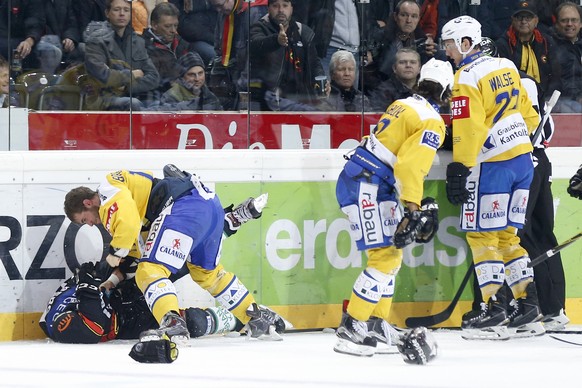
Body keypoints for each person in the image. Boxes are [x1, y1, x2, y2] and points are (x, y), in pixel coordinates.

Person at [63, 165, 281, 363]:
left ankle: (172, 322)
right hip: (209, 206)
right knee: (208, 274)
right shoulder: (130, 197)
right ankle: (255, 317)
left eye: (84, 219)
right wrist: (113, 276)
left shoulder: (107, 191)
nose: (90, 224)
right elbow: (135, 252)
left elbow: (127, 225)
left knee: (150, 271)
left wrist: (114, 251)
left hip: (184, 207)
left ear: (88, 203)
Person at [333, 58, 452, 358]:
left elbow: (396, 155)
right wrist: (413, 207)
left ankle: (375, 324)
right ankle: (353, 327)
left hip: (367, 178)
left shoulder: (403, 103)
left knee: (391, 256)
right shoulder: (432, 120)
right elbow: (411, 166)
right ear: (447, 92)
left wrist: (415, 202)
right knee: (385, 256)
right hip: (368, 184)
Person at [441, 16, 542, 340]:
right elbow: (529, 115)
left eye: (450, 45)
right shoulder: (507, 66)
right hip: (522, 160)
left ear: (466, 43)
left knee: (483, 238)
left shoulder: (466, 76)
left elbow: (468, 127)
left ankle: (493, 309)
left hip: (492, 165)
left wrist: (460, 166)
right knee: (508, 238)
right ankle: (528, 308)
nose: (448, 52)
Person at [478, 36, 569, 332]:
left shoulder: (511, 81)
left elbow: (524, 126)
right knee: (542, 235)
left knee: (522, 236)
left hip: (522, 161)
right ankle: (555, 310)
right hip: (539, 161)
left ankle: (537, 308)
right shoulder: (524, 80)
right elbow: (547, 128)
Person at [249, 0, 326, 111]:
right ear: (268, 8)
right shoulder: (259, 27)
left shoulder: (303, 32)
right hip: (271, 100)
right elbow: (256, 44)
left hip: (301, 98)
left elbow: (314, 63)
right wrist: (276, 40)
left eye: (285, 6)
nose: (281, 10)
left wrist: (321, 81)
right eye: (275, 6)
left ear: (291, 9)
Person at [83, 0, 160, 111]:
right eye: (116, 9)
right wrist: (133, 74)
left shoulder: (138, 42)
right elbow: (102, 76)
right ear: (107, 13)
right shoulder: (95, 41)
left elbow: (154, 77)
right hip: (102, 98)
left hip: (133, 94)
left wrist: (126, 86)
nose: (122, 13)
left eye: (126, 10)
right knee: (133, 104)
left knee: (159, 103)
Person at [207, 0, 268, 110]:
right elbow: (218, 46)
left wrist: (242, 82)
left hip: (252, 79)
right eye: (215, 7)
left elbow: (256, 56)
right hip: (233, 74)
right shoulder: (225, 13)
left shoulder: (254, 12)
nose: (218, 10)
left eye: (220, 6)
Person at [496, 0, 561, 101]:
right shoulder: (503, 44)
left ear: (536, 20)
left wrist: (545, 98)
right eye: (519, 17)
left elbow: (556, 75)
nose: (523, 21)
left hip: (545, 98)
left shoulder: (546, 42)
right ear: (512, 20)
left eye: (528, 17)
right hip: (515, 98)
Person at [142, 2, 192, 93]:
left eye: (175, 25)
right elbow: (157, 79)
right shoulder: (143, 47)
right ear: (154, 25)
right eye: (167, 26)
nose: (173, 31)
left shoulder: (181, 43)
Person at [158, 51, 223, 110]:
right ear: (182, 77)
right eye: (192, 75)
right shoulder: (170, 97)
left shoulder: (208, 95)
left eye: (200, 73)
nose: (197, 79)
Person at [550, 2, 582, 113]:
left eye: (574, 20)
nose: (569, 24)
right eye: (564, 20)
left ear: (580, 24)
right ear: (557, 24)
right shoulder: (548, 46)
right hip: (557, 102)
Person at [0, 0, 44, 76]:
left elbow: (36, 22)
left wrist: (29, 40)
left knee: (49, 50)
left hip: (23, 38)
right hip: (4, 39)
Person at [169, 0, 218, 65]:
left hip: (217, 35)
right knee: (218, 57)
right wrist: (213, 38)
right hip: (193, 41)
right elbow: (184, 27)